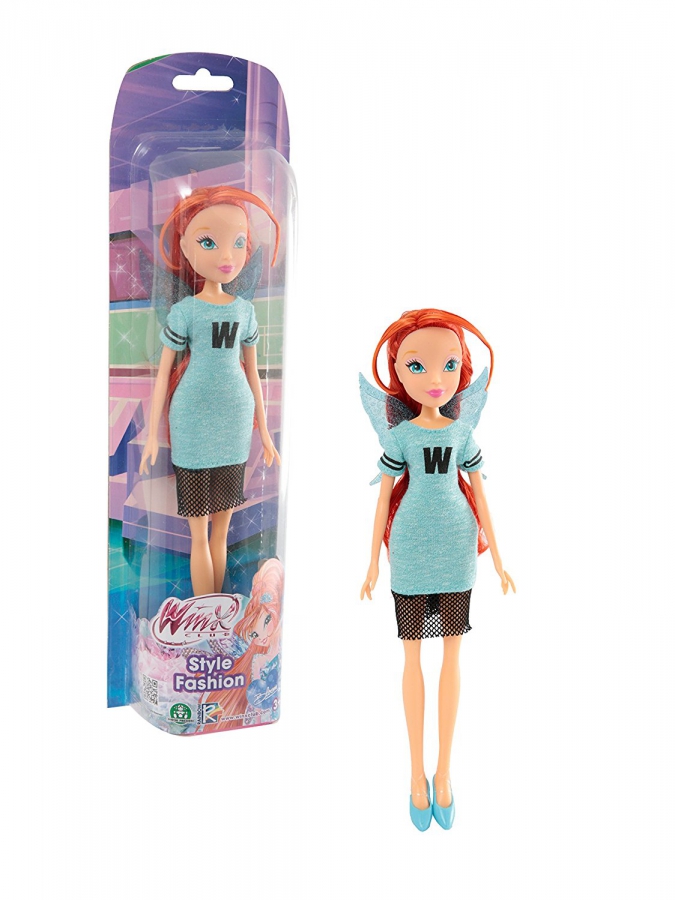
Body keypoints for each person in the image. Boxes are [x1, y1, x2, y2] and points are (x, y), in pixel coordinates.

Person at [360, 308, 515, 830]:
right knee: (411, 659)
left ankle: (444, 772)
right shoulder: (400, 437)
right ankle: (415, 774)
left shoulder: (462, 433)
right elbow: (382, 501)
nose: (434, 378)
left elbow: (481, 497)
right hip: (408, 548)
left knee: (452, 657)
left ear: (462, 372)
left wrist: (498, 557)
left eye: (448, 365)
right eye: (417, 366)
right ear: (398, 374)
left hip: (455, 546)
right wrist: (371, 561)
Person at [140, 186, 281, 597]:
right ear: (185, 247)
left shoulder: (244, 311)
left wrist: (265, 432)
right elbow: (163, 375)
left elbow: (254, 375)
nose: (226, 255)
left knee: (221, 533)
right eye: (208, 242)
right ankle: (205, 610)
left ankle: (217, 615)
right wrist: (152, 435)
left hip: (235, 420)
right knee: (198, 534)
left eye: (238, 242)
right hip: (191, 420)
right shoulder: (184, 311)